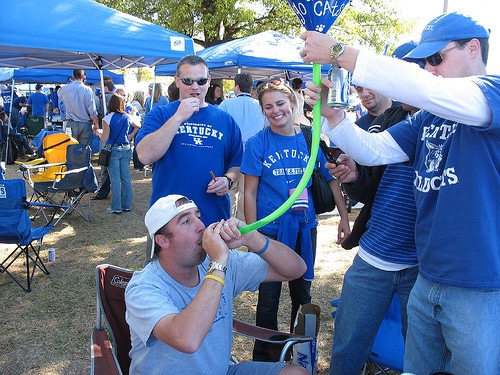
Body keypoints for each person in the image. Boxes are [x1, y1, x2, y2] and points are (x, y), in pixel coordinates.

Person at [300, 12, 500, 375]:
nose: (429, 68)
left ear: (474, 48)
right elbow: (373, 150)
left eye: (436, 58)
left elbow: (427, 90)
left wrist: (341, 52)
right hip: (427, 279)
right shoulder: (428, 118)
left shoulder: (494, 94)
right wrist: (331, 116)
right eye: (424, 61)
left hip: (478, 286)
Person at [125, 194, 309, 374]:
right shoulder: (143, 288)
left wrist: (253, 238)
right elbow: (186, 339)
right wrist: (219, 261)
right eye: (186, 221)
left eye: (198, 216)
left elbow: (296, 269)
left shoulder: (217, 264)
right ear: (163, 240)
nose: (201, 226)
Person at [327, 41, 420, 375]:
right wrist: (352, 175)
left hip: (422, 266)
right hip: (374, 256)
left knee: (421, 354)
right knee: (349, 344)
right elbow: (369, 184)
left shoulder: (443, 121)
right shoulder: (392, 122)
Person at [241, 79, 350, 362]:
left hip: (304, 228)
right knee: (268, 300)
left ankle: (300, 355)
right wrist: (253, 236)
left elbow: (333, 182)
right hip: (271, 233)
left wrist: (344, 219)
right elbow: (249, 193)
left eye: (280, 103)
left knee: (302, 294)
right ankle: (266, 360)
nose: (276, 111)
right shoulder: (257, 143)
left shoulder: (310, 138)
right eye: (268, 107)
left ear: (292, 103)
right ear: (263, 111)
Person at [135, 54, 244, 264]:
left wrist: (228, 180)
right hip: (170, 223)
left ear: (209, 81)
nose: (195, 86)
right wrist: (178, 117)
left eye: (201, 81)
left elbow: (237, 163)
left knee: (215, 284)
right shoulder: (160, 115)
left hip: (213, 220)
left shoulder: (225, 120)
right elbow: (145, 155)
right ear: (177, 81)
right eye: (188, 81)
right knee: (167, 289)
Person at [218, 72, 266, 221]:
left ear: (236, 87)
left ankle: (227, 221)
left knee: (230, 190)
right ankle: (242, 226)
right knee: (247, 192)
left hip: (232, 154)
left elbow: (220, 128)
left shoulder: (226, 104)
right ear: (251, 87)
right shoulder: (259, 106)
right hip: (254, 154)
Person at [97, 93, 140, 214]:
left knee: (115, 179)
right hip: (126, 148)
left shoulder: (107, 118)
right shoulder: (127, 117)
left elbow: (105, 137)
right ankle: (127, 205)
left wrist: (99, 134)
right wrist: (130, 135)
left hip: (114, 149)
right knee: (125, 178)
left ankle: (116, 206)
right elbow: (138, 125)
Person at [57, 69, 99, 147]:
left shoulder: (64, 89)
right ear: (84, 77)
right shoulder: (88, 90)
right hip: (85, 123)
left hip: (71, 122)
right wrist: (96, 123)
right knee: (84, 149)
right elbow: (92, 110)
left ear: (73, 76)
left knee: (71, 148)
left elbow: (59, 94)